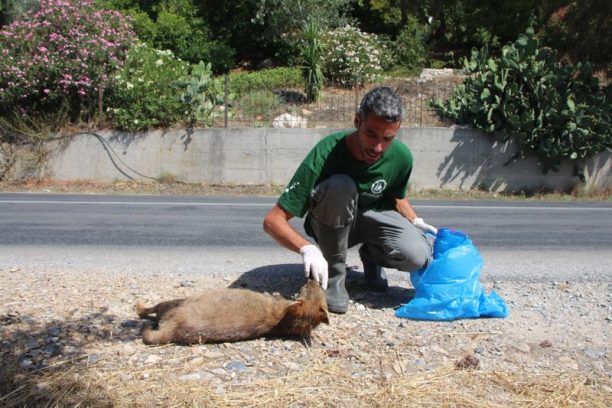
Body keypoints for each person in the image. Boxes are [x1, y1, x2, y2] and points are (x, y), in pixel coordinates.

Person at [263, 86, 438, 314]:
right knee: (341, 185)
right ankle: (335, 276)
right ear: (357, 121)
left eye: (387, 138)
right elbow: (273, 220)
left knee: (417, 255)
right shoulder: (326, 154)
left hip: (369, 220)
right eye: (371, 134)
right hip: (330, 223)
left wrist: (415, 221)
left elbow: (396, 197)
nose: (378, 147)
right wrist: (307, 249)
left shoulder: (401, 157)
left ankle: (371, 256)